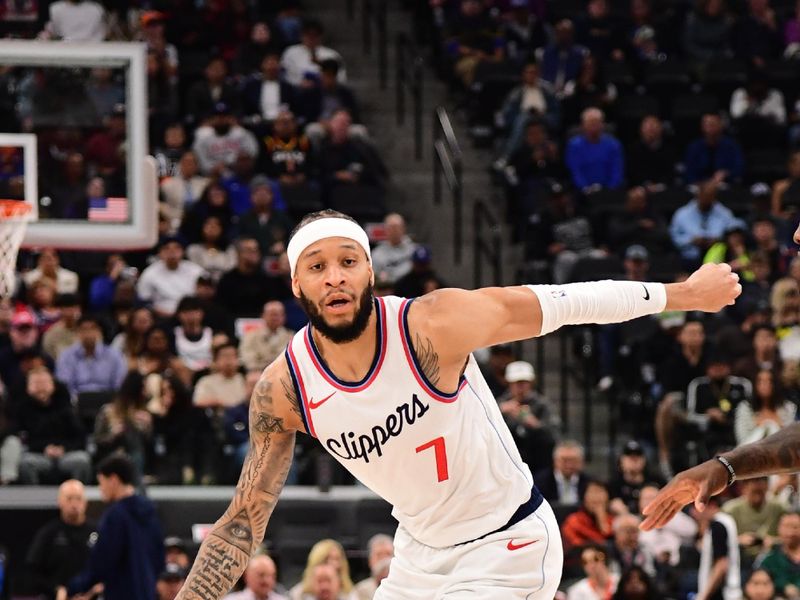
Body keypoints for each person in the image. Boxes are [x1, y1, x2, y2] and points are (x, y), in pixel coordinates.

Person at [174, 209, 741, 599]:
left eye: (348, 261)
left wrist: (683, 295)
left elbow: (564, 301)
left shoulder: (430, 326)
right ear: (296, 287)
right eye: (316, 267)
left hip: (508, 542)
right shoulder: (285, 390)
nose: (335, 277)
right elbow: (241, 524)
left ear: (371, 268)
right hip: (418, 556)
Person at [63, 454, 165, 600]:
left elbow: (102, 561)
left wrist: (74, 587)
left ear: (113, 480)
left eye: (101, 482)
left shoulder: (115, 515)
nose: (101, 489)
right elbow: (159, 558)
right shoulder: (151, 512)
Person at [17, 366, 91, 484]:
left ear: (53, 385)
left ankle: (75, 495)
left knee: (82, 460)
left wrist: (63, 448)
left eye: (44, 383)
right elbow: (21, 440)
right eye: (36, 383)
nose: (41, 387)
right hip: (37, 455)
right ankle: (33, 500)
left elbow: (80, 437)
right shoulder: (21, 410)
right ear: (28, 387)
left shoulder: (65, 408)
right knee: (25, 463)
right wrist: (44, 449)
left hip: (66, 454)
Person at [25, 480, 96, 600]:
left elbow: (110, 567)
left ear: (85, 502)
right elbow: (32, 572)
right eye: (69, 499)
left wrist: (93, 592)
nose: (74, 504)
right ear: (60, 502)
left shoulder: (98, 531)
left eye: (78, 498)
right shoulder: (48, 533)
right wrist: (56, 590)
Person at [55, 315, 127, 398]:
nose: (88, 334)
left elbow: (120, 385)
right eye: (84, 329)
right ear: (77, 332)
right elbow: (65, 386)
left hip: (107, 400)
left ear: (99, 331)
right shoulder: (66, 356)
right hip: (76, 402)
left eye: (93, 329)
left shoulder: (114, 355)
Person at [137, 237, 205, 318]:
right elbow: (143, 300)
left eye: (176, 248)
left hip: (192, 316)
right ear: (160, 253)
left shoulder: (195, 270)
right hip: (160, 317)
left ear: (183, 252)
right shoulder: (150, 273)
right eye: (166, 249)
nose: (172, 252)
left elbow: (207, 290)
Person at [565, 107, 624, 193]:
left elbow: (616, 170)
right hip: (581, 192)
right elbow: (575, 171)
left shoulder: (613, 145)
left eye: (596, 123)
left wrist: (610, 189)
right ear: (583, 125)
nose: (594, 127)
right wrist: (585, 188)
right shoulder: (574, 146)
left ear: (602, 125)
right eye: (590, 124)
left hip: (609, 191)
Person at [694, 496, 742, 600]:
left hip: (722, 592)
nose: (694, 513)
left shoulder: (718, 525)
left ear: (711, 505)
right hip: (730, 588)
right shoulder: (726, 521)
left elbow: (722, 565)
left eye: (697, 507)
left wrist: (703, 596)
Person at [240, 302, 295, 372]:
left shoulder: (292, 337)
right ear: (263, 316)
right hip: (258, 372)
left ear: (283, 317)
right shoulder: (250, 336)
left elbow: (293, 360)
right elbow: (247, 359)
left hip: (284, 373)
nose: (275, 318)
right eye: (272, 314)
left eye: (278, 315)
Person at [535, 440, 590, 504]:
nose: (569, 465)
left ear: (581, 461)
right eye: (564, 460)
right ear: (555, 461)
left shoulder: (589, 483)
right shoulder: (539, 482)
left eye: (574, 460)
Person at [370, 213, 416, 285]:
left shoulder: (414, 250)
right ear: (385, 230)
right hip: (388, 290)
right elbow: (374, 278)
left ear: (404, 228)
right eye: (391, 227)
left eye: (397, 227)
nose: (395, 231)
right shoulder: (377, 253)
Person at [354, 534, 394, 600]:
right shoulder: (360, 591)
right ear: (370, 561)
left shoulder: (406, 587)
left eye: (388, 554)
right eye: (379, 555)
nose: (384, 560)